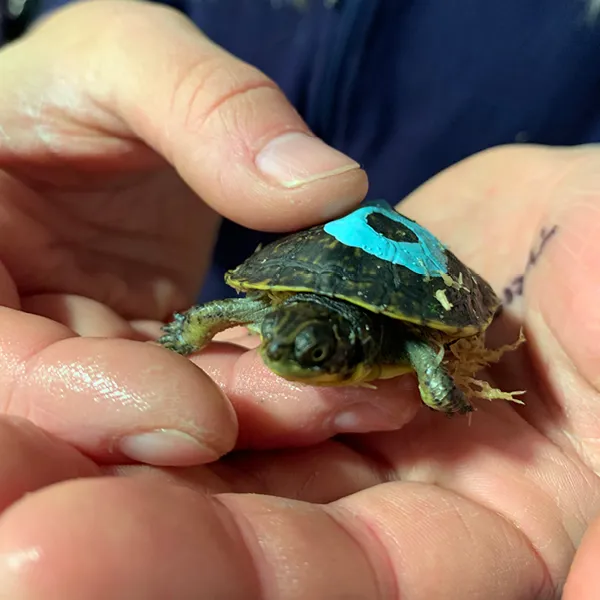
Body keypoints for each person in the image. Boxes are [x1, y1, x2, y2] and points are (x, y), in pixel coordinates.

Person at [0, 1, 598, 597]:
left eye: (306, 354)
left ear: (344, 351)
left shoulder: (395, 335)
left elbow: (421, 349)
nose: (280, 355)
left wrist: (443, 393)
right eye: (286, 342)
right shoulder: (272, 314)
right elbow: (222, 311)